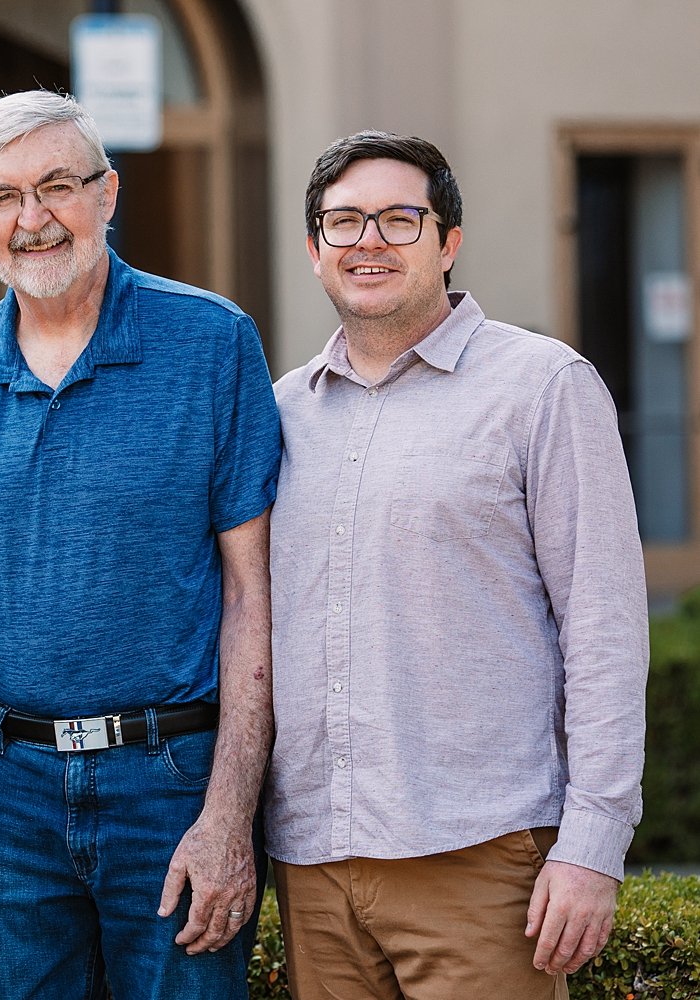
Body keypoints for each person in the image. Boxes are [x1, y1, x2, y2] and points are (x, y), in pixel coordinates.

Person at [0, 90, 281, 999]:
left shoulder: (212, 343)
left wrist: (228, 815)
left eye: (57, 185)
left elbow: (252, 598)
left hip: (172, 784)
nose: (33, 219)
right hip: (0, 790)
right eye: (4, 196)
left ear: (108, 192)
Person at [267, 130, 648, 999]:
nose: (369, 241)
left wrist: (593, 843)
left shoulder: (543, 386)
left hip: (482, 859)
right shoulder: (281, 410)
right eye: (344, 222)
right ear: (314, 251)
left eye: (401, 219)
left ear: (449, 241)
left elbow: (605, 627)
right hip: (314, 861)